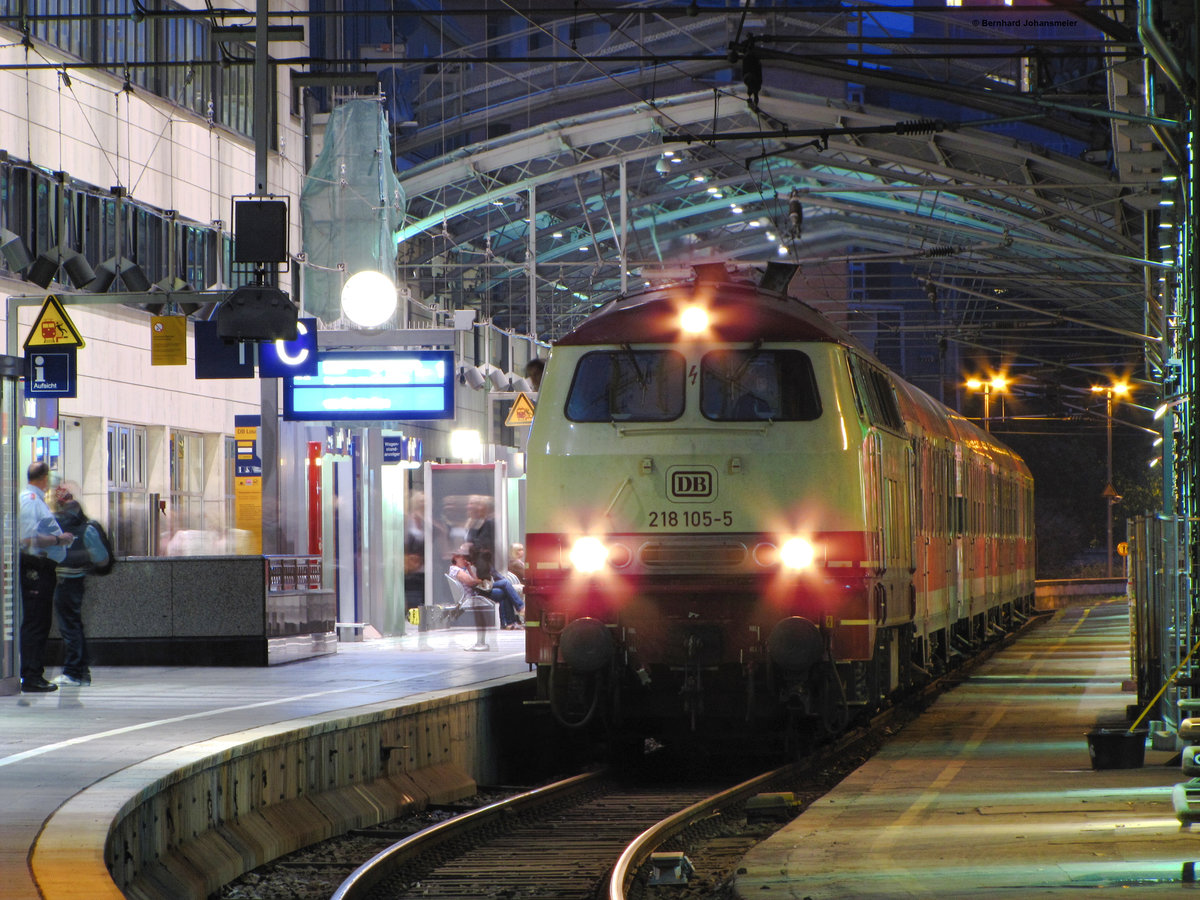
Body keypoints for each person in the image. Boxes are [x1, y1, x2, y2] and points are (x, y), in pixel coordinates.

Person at [18, 462, 73, 693]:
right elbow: (27, 539)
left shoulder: (35, 500)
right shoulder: (31, 501)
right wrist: (60, 540)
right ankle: (32, 676)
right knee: (36, 622)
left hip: (41, 568)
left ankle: (33, 673)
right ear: (44, 478)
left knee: (39, 622)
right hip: (35, 568)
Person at [51, 486, 110, 687]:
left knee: (70, 627)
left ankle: (74, 672)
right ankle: (81, 672)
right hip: (78, 580)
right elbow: (102, 559)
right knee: (74, 625)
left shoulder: (61, 527)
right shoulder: (87, 528)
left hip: (66, 581)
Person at [464, 496, 524, 627]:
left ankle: (509, 622)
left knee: (504, 589)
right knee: (505, 585)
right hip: (481, 579)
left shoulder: (484, 525)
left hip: (486, 570)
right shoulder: (474, 527)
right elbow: (479, 546)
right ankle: (519, 609)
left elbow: (485, 546)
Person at [447, 550, 493, 650]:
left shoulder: (461, 570)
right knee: (501, 590)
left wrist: (469, 569)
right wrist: (480, 580)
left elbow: (474, 580)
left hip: (475, 595)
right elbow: (472, 582)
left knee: (502, 589)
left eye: (466, 559)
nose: (465, 561)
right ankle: (481, 642)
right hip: (470, 598)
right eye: (462, 558)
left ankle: (481, 642)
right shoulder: (456, 570)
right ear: (455, 558)